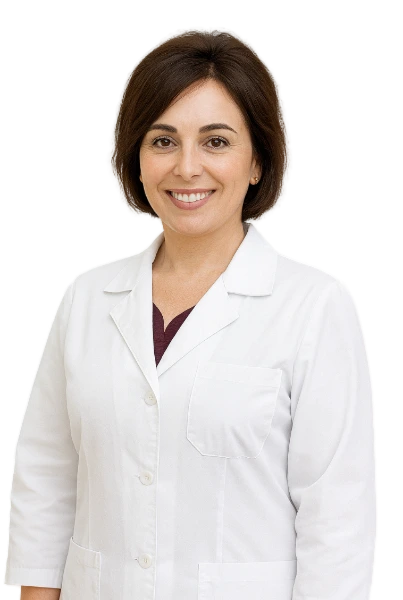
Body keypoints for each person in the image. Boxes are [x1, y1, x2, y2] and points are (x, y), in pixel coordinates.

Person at [4, 26, 376, 600]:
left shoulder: (312, 306)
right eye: (163, 140)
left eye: (216, 141)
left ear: (257, 161)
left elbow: (338, 525)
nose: (186, 167)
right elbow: (46, 481)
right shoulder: (87, 298)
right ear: (137, 157)